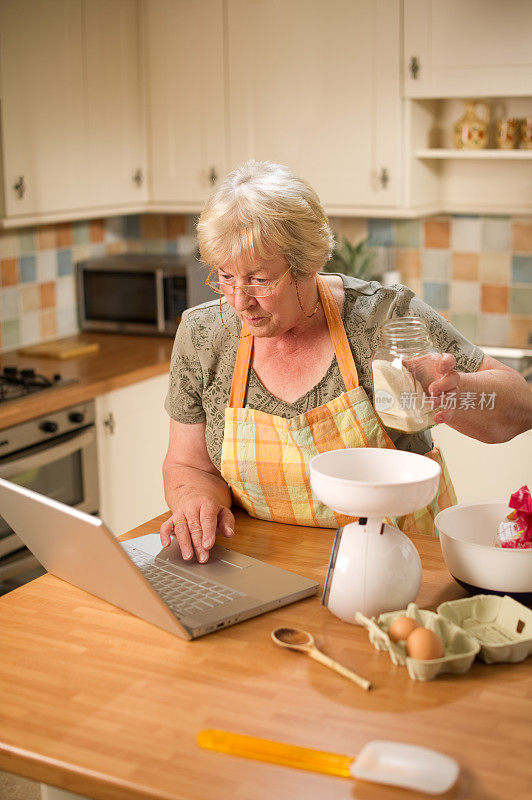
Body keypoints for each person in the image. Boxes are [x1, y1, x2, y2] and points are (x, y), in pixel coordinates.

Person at [161, 160, 532, 562]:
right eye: (226, 276)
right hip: (268, 569)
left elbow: (521, 407)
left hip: (402, 565)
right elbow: (188, 465)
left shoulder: (384, 319)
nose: (238, 300)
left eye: (259, 279)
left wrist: (455, 394)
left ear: (308, 265)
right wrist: (196, 498)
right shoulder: (203, 336)